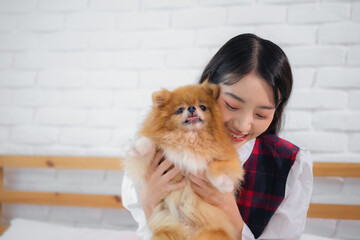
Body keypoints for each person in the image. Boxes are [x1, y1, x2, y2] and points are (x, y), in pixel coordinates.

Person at [121, 33, 313, 240]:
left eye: (261, 114)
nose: (242, 125)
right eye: (231, 105)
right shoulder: (160, 146)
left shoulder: (289, 165)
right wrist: (149, 202)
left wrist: (231, 215)